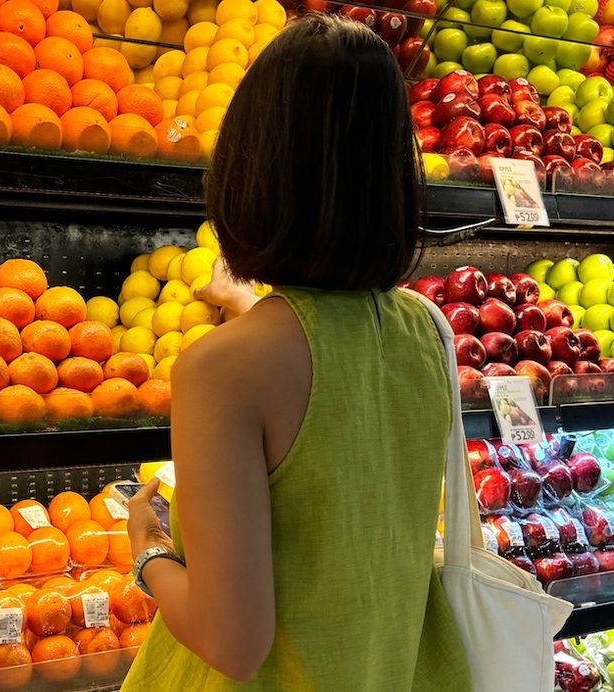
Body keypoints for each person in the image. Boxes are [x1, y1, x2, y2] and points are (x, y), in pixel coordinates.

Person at [121, 13, 471, 691]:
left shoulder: (223, 367)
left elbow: (234, 642)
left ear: (250, 164)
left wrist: (148, 553)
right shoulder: (427, 332)